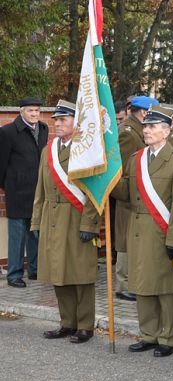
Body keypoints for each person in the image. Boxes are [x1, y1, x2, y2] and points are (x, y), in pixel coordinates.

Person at [112, 105, 173, 357]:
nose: (146, 130)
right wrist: (106, 179)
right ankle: (148, 334)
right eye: (145, 126)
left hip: (163, 230)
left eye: (152, 127)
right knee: (142, 285)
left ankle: (168, 337)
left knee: (166, 288)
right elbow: (125, 194)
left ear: (167, 131)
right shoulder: (136, 159)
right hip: (137, 231)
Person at [31, 100, 100, 344]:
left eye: (63, 120)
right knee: (58, 273)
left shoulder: (87, 149)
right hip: (52, 219)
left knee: (80, 274)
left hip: (76, 217)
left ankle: (85, 325)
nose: (57, 123)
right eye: (56, 120)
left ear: (76, 122)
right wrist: (37, 222)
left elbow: (94, 192)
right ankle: (66, 322)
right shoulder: (48, 150)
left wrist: (89, 224)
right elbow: (40, 190)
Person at [0, 96, 49, 288]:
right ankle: (14, 274)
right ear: (21, 112)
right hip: (17, 191)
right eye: (30, 110)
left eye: (37, 110)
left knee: (35, 233)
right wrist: (9, 184)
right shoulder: (7, 132)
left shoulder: (43, 129)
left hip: (37, 191)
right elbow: (1, 163)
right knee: (17, 236)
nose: (34, 114)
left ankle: (35, 270)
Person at [115, 95, 159, 302]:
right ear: (143, 113)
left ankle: (132, 281)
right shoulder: (127, 133)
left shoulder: (136, 130)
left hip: (141, 195)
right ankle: (123, 284)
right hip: (129, 197)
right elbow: (122, 170)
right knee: (125, 240)